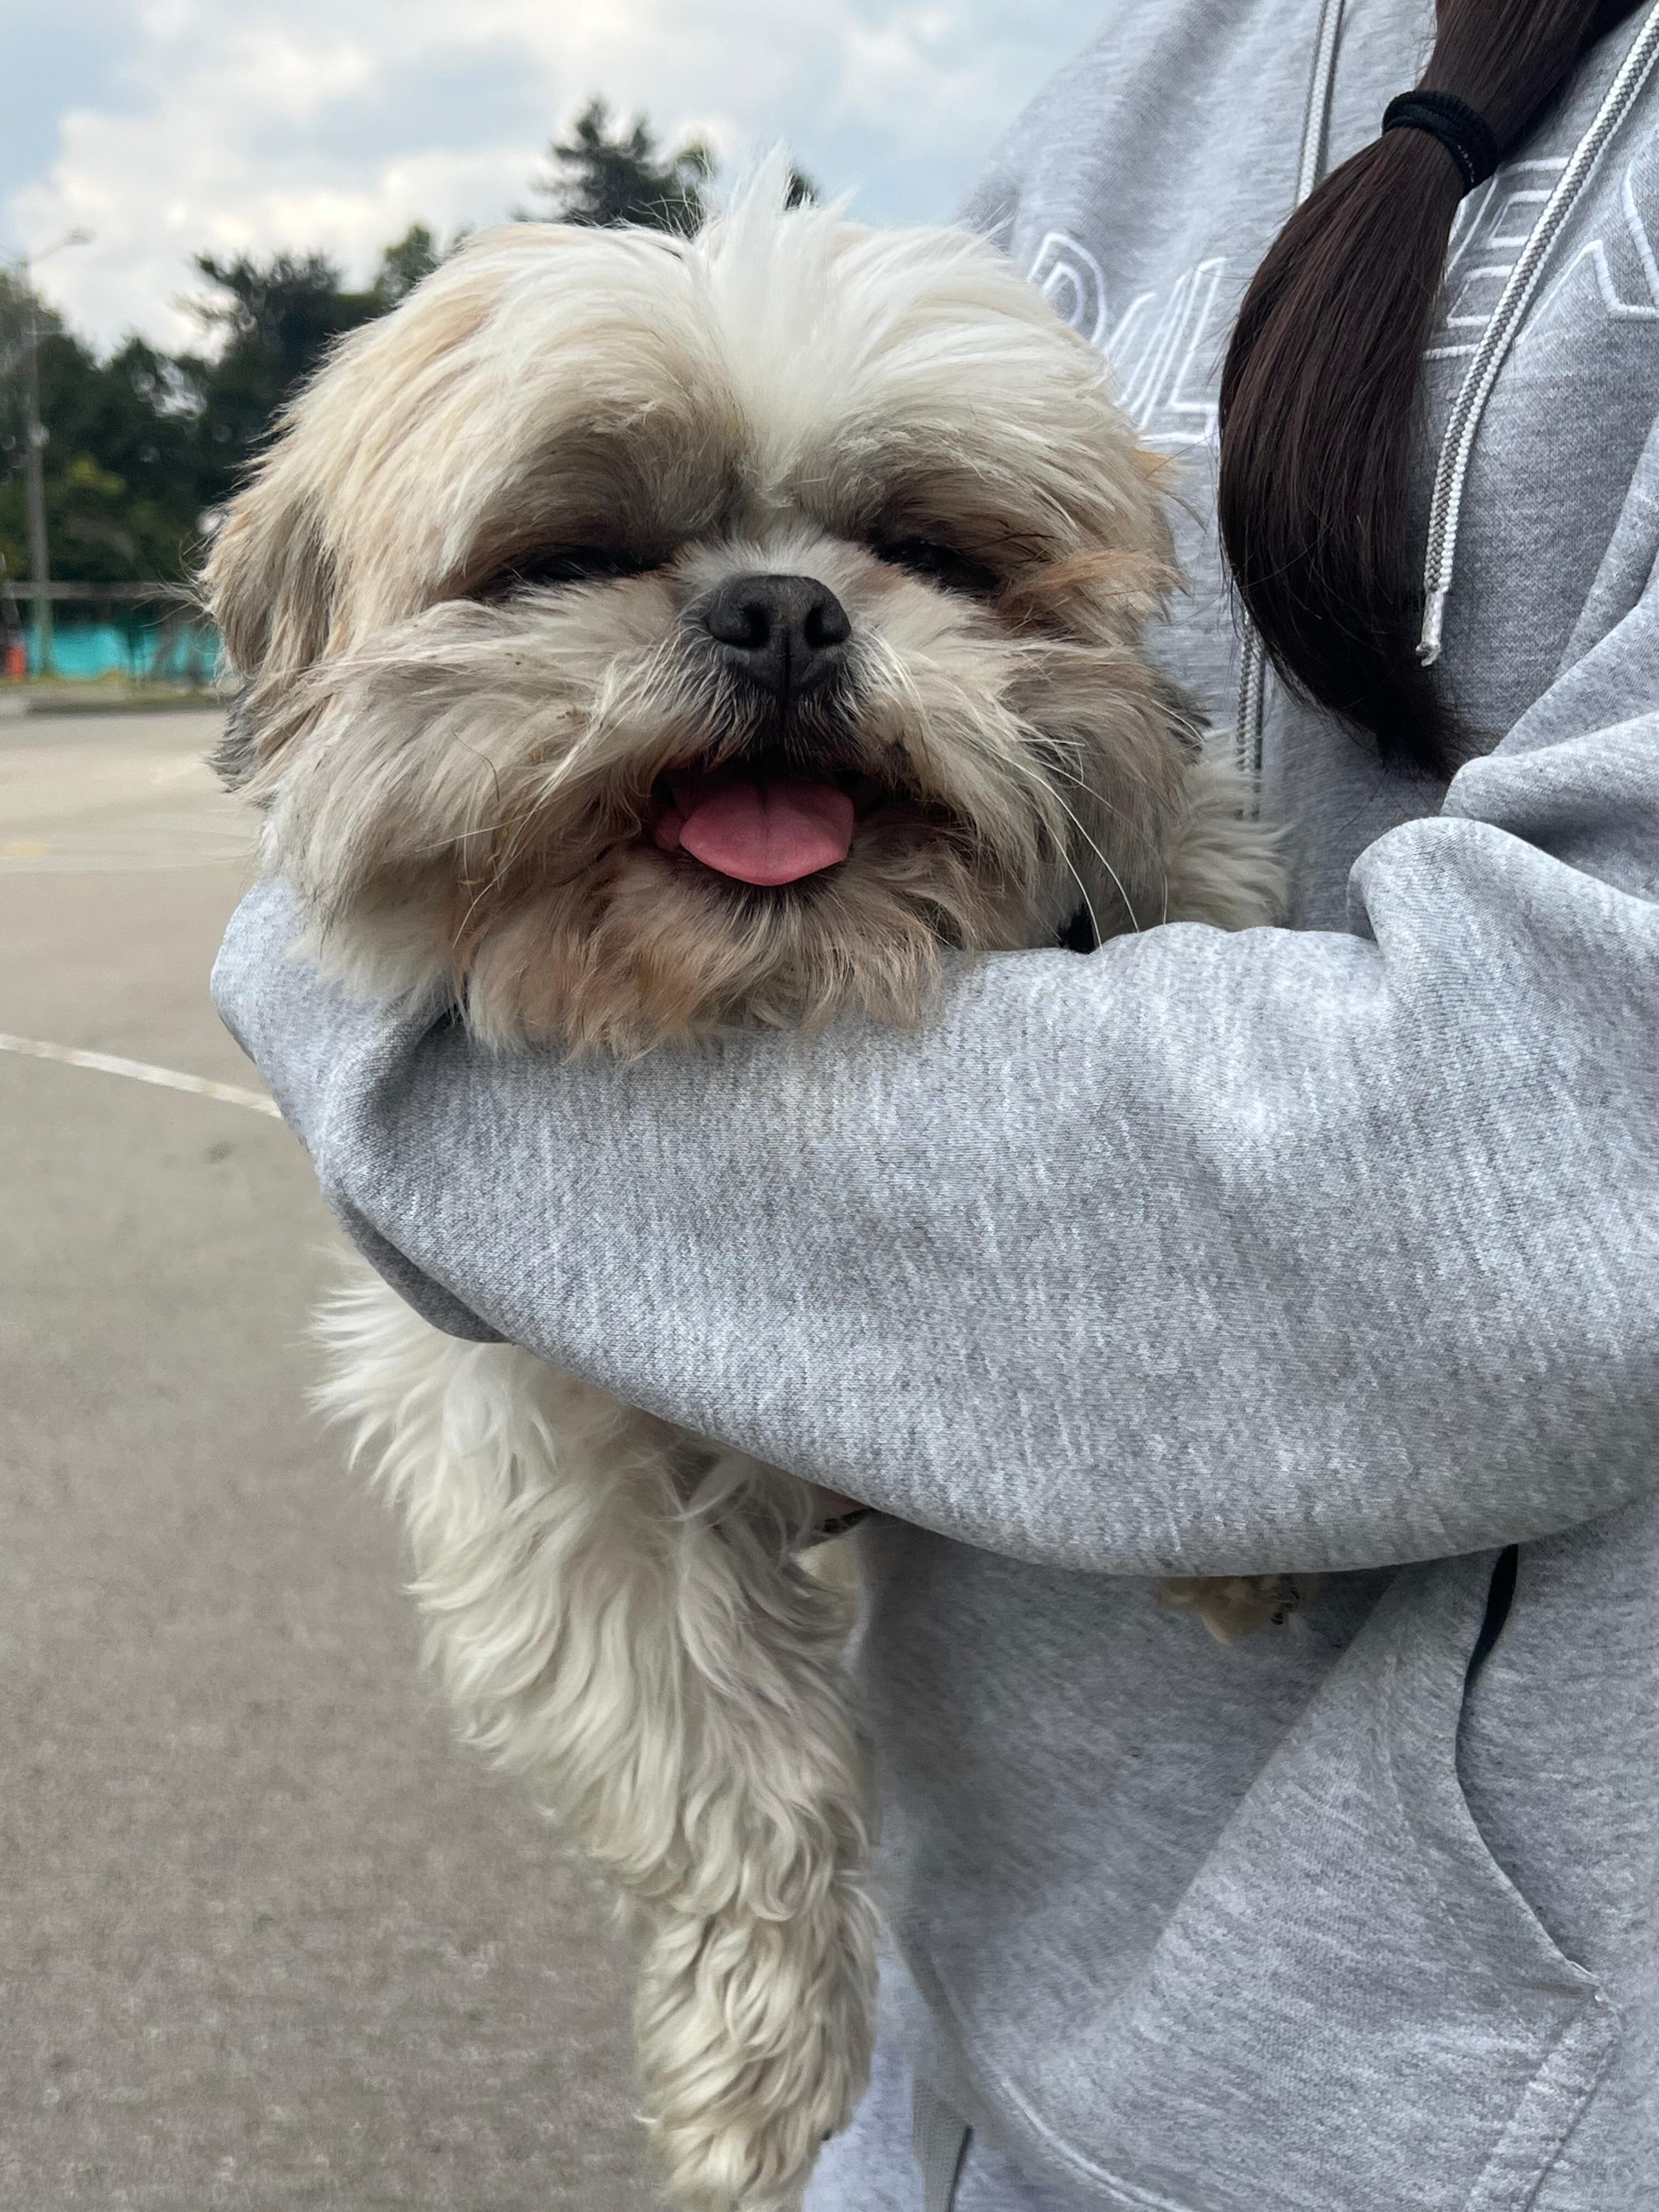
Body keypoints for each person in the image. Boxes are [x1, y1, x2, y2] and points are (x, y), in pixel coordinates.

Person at [211, 1, 1659, 2204]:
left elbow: (1555, 1165)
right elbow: (329, 883)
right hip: (964, 2057)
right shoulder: (1138, 85)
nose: (783, 629)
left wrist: (435, 1100)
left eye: (932, 558)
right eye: (583, 553)